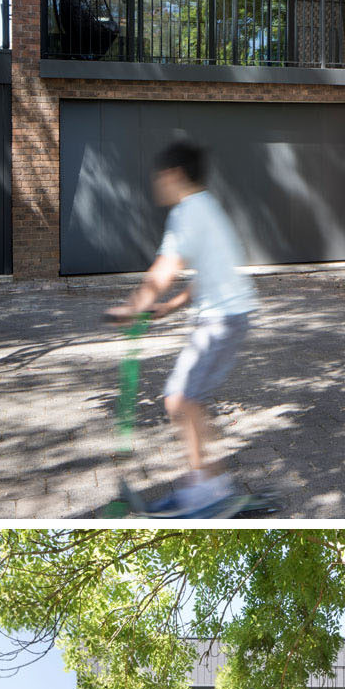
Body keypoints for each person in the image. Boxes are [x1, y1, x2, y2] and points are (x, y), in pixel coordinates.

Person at [106, 138, 256, 515]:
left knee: (180, 398)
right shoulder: (207, 208)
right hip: (229, 314)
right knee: (186, 399)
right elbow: (207, 274)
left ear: (173, 174)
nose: (157, 183)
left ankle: (208, 491)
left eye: (159, 176)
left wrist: (132, 306)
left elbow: (165, 270)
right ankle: (207, 485)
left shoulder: (188, 212)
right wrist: (169, 307)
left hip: (222, 318)